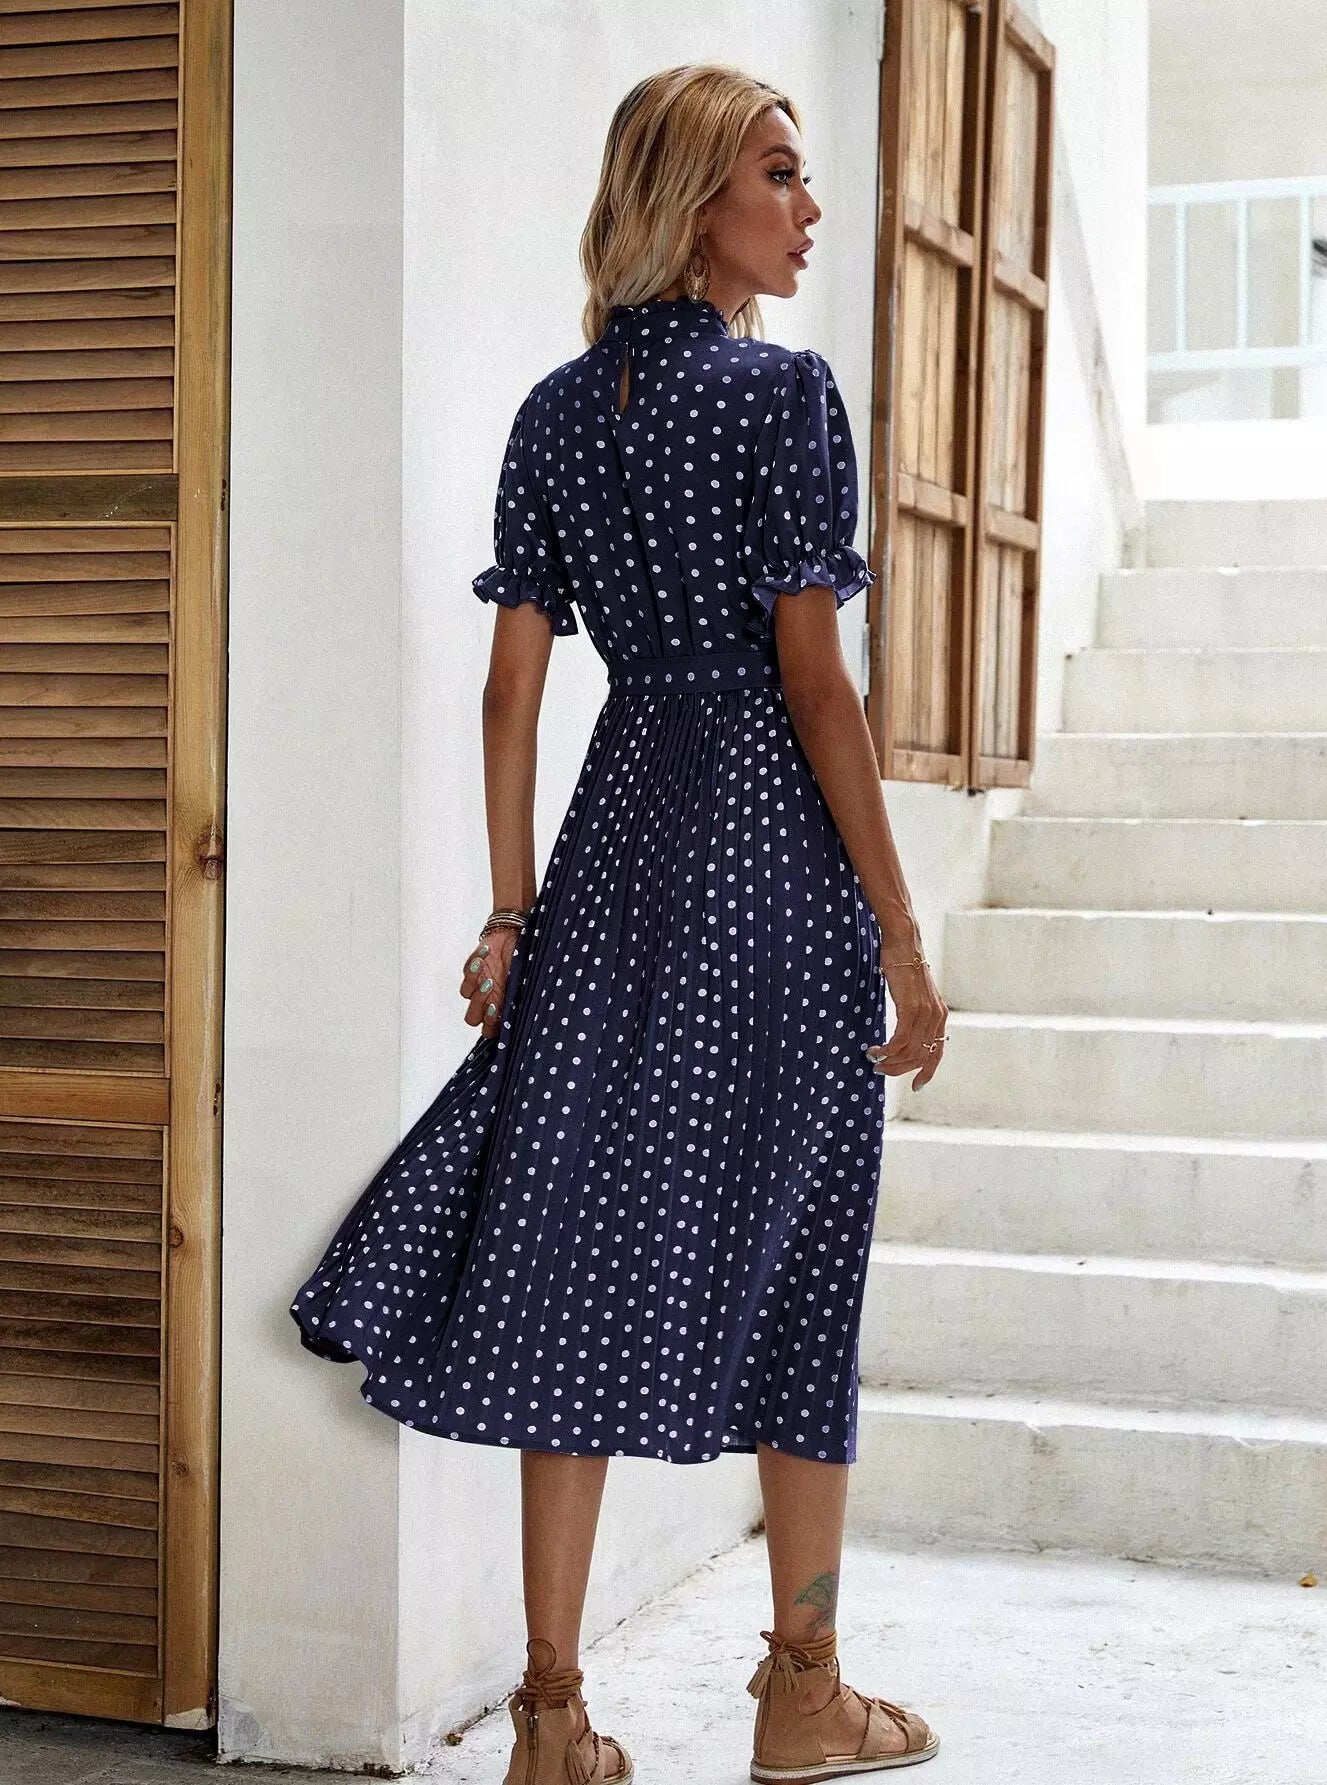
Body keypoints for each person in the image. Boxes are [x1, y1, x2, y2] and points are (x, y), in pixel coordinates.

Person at [291, 62, 948, 1785]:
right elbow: (816, 680)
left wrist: (511, 908)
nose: (808, 207)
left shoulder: (558, 412)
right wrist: (900, 931)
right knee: (804, 1265)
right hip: (770, 869)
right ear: (694, 199)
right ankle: (805, 1692)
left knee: (569, 1264)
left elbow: (510, 693)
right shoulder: (785, 395)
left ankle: (550, 1717)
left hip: (612, 861)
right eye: (779, 175)